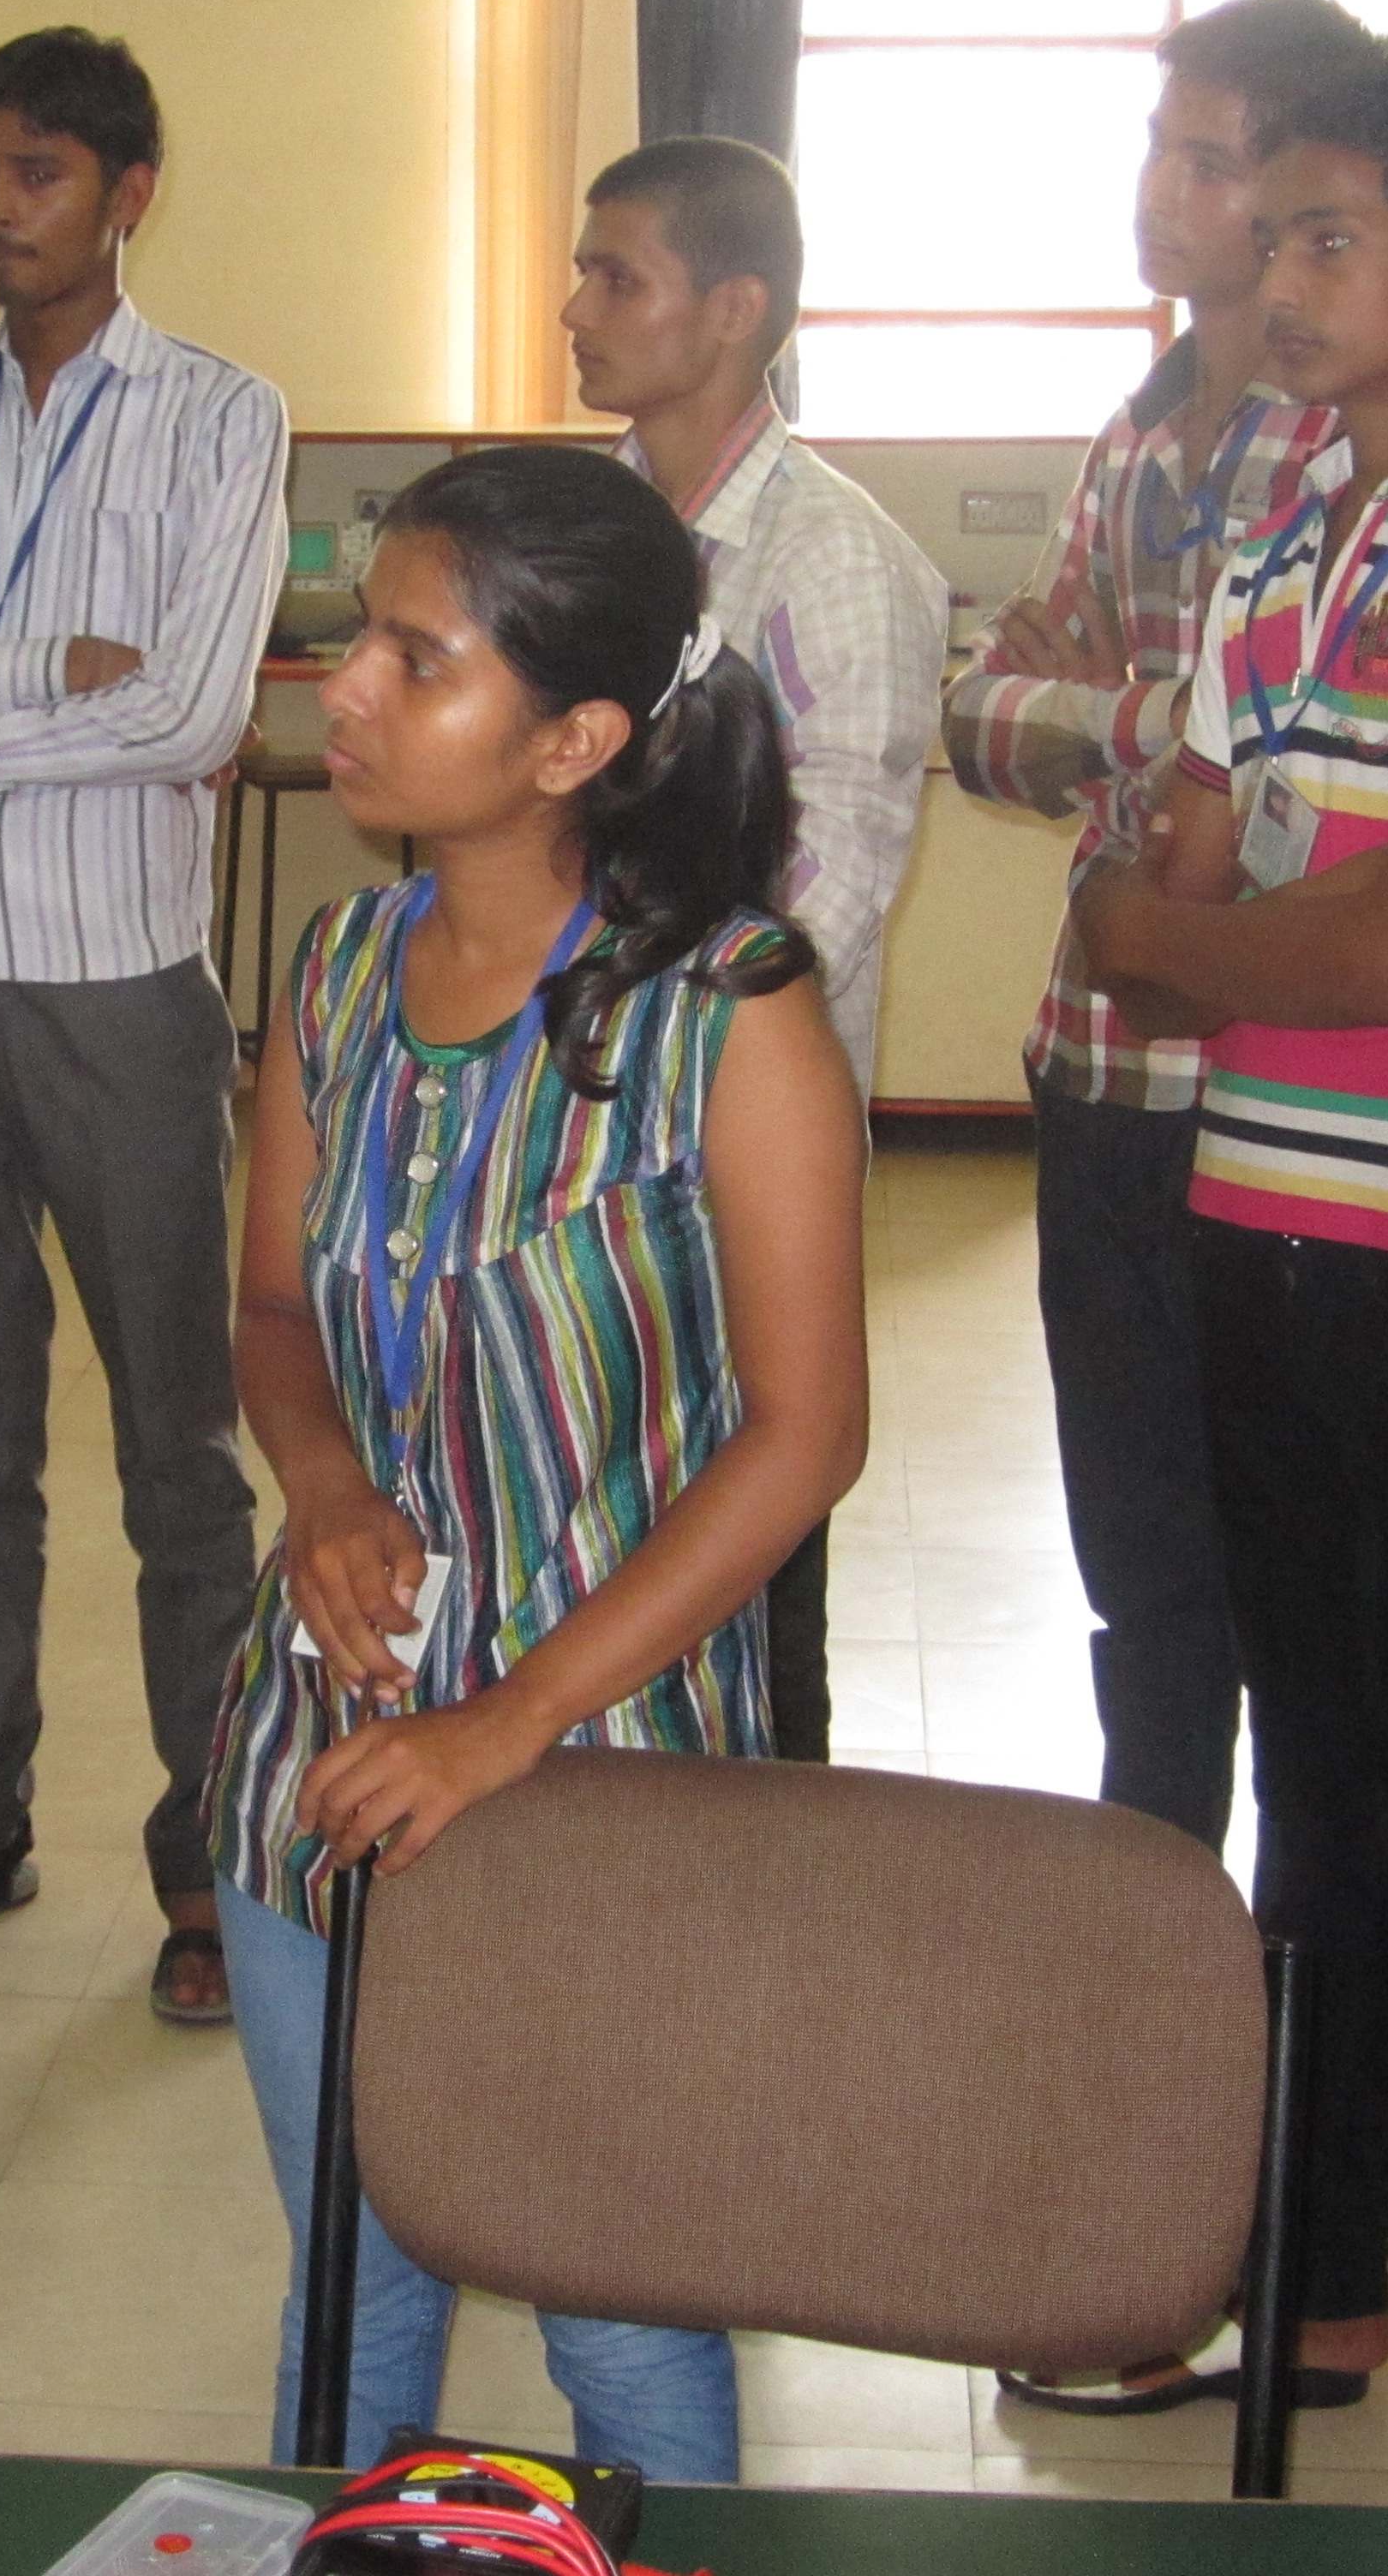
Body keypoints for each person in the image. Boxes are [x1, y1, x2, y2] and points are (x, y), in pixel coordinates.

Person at [204, 445, 870, 2481]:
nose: (347, 685)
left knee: (623, 2317)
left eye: (419, 658)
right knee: (351, 2286)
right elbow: (272, 1313)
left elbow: (807, 1434)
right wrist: (326, 1488)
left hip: (603, 1760)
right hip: (328, 1739)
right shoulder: (340, 968)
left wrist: (512, 1722)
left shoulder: (729, 1013)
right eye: (362, 636)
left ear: (576, 739)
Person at [1049, 55, 1388, 2501]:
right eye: (1269, 239)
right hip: (1248, 1213)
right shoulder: (1273, 539)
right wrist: (1202, 923)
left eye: (1333, 236)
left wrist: (1188, 935)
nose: (1278, 278)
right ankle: (1320, 2276)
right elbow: (1163, 882)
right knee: (1319, 1779)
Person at [0, 27, 284, 2023]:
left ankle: (213, 1854)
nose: (1, 210)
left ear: (127, 195)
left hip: (121, 998)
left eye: (40, 175)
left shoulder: (220, 418)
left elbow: (195, 713)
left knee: (180, 1453)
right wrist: (49, 675)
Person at [943, 0, 1378, 1846]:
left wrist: (1115, 713)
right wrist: (1154, 719)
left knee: (1286, 1552)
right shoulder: (1139, 428)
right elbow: (982, 715)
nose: (1159, 189)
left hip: (1265, 1078)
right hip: (1100, 1062)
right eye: (1157, 146)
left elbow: (1278, 748)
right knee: (1134, 1553)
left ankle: (1291, 1958)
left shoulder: (1333, 443)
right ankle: (1155, 1907)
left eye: (1208, 161)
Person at [562, 136, 942, 1766]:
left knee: (748, 1542)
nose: (575, 309)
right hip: (566, 1103)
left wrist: (639, 1037)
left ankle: (769, 1879)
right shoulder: (591, 531)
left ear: (734, 311)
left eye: (616, 276)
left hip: (726, 1126)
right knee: (593, 1516)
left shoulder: (830, 556)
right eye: (581, 271)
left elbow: (824, 892)